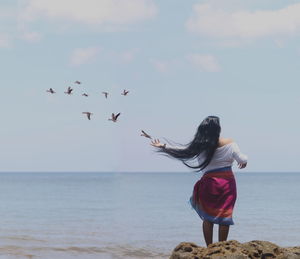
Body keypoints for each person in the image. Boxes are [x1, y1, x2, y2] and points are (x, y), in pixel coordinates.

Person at [151, 116, 247, 246]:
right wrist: (244, 162)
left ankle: (209, 248)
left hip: (209, 184)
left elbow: (183, 150)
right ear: (218, 129)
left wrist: (163, 146)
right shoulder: (230, 142)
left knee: (208, 217)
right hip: (227, 185)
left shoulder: (200, 146)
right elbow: (242, 159)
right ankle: (222, 249)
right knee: (225, 216)